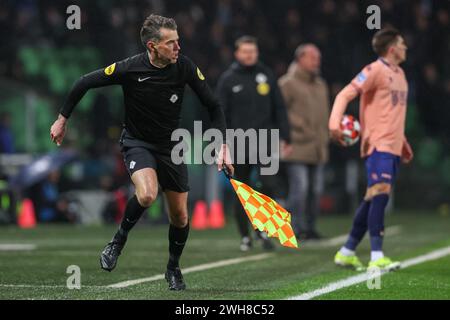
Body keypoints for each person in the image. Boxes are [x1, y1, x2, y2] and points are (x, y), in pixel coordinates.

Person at [50, 14, 234, 290]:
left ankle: (173, 267)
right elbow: (84, 81)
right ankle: (118, 241)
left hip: (171, 146)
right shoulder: (129, 68)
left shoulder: (183, 67)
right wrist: (62, 118)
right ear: (152, 46)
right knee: (147, 194)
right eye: (171, 43)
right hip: (138, 142)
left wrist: (223, 146)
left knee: (180, 217)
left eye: (178, 41)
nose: (178, 48)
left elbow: (214, 105)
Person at [329, 28, 413, 271]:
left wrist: (403, 142)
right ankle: (377, 255)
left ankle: (347, 251)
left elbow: (393, 114)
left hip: (393, 145)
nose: (405, 46)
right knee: (381, 193)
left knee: (372, 197)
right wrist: (334, 123)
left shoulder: (401, 74)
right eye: (402, 43)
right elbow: (345, 94)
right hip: (378, 144)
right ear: (392, 49)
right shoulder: (374, 70)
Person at [216, 36, 292, 252]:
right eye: (245, 51)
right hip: (238, 143)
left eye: (253, 51)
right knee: (243, 191)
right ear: (237, 54)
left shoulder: (266, 75)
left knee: (268, 186)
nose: (249, 55)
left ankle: (262, 231)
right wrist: (222, 143)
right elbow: (219, 113)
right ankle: (245, 235)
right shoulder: (228, 80)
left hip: (265, 142)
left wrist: (285, 136)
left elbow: (279, 107)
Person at [278, 44, 330, 240]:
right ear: (300, 59)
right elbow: (280, 112)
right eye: (312, 57)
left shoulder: (320, 85)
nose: (317, 61)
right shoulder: (287, 83)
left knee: (316, 191)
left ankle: (310, 227)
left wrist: (327, 133)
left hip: (318, 146)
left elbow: (324, 113)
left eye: (318, 58)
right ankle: (296, 227)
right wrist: (300, 125)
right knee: (300, 189)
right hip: (297, 145)